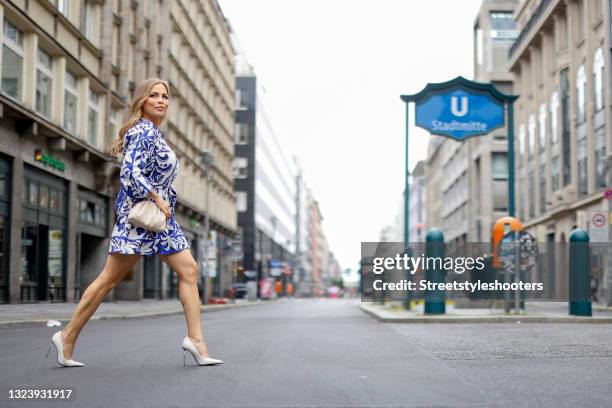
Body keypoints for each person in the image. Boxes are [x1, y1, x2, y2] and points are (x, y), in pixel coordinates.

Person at [44, 78, 222, 367]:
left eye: (165, 96)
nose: (161, 100)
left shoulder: (154, 133)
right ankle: (67, 336)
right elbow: (129, 173)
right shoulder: (141, 132)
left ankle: (196, 341)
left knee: (189, 269)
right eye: (154, 95)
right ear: (143, 100)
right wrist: (158, 197)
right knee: (108, 280)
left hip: (161, 220)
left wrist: (166, 200)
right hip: (140, 219)